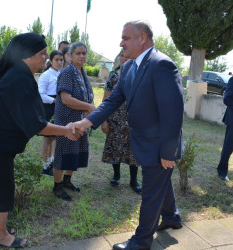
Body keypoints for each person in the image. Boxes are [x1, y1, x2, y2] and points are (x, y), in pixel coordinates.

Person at [74, 21, 183, 249]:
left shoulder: (162, 64)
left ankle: (141, 242)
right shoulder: (131, 67)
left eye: (125, 38)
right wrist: (86, 121)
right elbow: (113, 100)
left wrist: (168, 152)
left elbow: (173, 113)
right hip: (143, 142)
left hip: (158, 145)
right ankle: (172, 217)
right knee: (161, 181)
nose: (121, 43)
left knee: (150, 195)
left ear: (142, 38)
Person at [0, 33, 80, 248]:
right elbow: (37, 125)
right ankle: (2, 236)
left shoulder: (19, 74)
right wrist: (66, 130)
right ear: (26, 56)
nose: (46, 58)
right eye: (42, 53)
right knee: (1, 186)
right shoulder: (18, 79)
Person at [53, 42, 95, 201]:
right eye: (78, 53)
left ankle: (67, 181)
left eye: (84, 53)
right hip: (66, 120)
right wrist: (89, 107)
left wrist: (87, 110)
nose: (82, 56)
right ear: (70, 56)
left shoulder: (82, 72)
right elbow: (66, 99)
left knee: (75, 150)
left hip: (80, 120)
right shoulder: (67, 72)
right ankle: (57, 186)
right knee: (63, 152)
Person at [101, 51, 141, 194]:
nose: (125, 59)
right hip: (115, 119)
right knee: (115, 147)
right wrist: (103, 120)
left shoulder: (138, 74)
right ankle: (116, 176)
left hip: (134, 119)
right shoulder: (112, 76)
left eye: (128, 57)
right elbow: (106, 99)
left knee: (134, 150)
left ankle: (134, 181)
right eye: (122, 57)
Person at [38, 50, 64, 176]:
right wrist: (55, 100)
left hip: (58, 108)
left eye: (61, 60)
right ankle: (42, 165)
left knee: (54, 137)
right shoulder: (46, 75)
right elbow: (41, 94)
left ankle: (50, 163)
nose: (59, 62)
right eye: (57, 60)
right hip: (48, 108)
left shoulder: (62, 74)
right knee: (47, 138)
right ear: (51, 61)